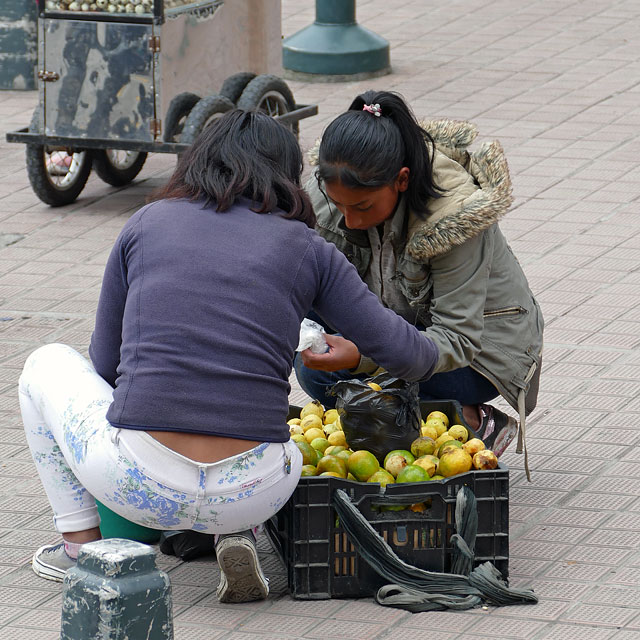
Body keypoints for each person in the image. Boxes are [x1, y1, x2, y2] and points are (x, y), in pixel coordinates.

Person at [18, 109, 439, 600]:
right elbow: (409, 355)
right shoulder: (308, 247)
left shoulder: (147, 223)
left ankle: (78, 547)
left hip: (137, 484)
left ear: (197, 162)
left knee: (43, 363)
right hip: (260, 490)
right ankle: (231, 528)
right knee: (246, 429)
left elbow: (106, 366)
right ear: (286, 177)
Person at [295, 90, 544, 473]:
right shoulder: (331, 191)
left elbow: (457, 339)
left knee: (385, 380)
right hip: (399, 328)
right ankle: (390, 427)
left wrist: (364, 357)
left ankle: (477, 424)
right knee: (314, 369)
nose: (350, 221)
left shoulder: (454, 218)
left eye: (362, 207)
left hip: (479, 353)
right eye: (339, 205)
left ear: (402, 180)